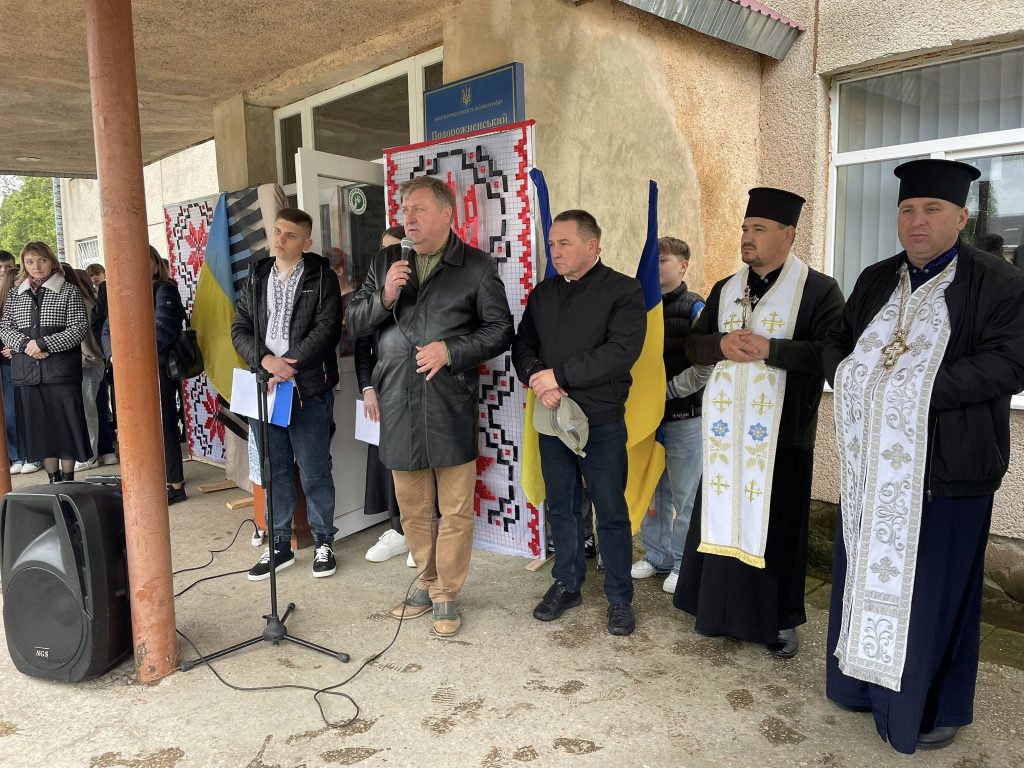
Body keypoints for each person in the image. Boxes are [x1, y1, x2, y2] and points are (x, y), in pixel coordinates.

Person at [823, 159, 1024, 754]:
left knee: (936, 594)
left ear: (961, 217)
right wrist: (847, 373)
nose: (917, 221)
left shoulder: (998, 282)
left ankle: (933, 706)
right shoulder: (876, 278)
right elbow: (839, 339)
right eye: (908, 209)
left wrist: (911, 388)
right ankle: (860, 686)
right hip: (872, 471)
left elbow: (1009, 364)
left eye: (932, 209)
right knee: (864, 576)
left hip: (950, 471)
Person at [673, 187, 844, 658]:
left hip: (785, 436)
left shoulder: (820, 290)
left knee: (779, 528)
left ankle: (779, 621)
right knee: (722, 516)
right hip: (727, 435)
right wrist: (721, 345)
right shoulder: (726, 288)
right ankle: (716, 611)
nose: (747, 237)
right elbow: (693, 344)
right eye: (745, 228)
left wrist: (773, 349)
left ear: (788, 235)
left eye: (759, 229)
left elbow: (832, 354)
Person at [347, 176, 513, 637]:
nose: (409, 218)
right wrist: (384, 296)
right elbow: (355, 321)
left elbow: (501, 329)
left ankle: (446, 594)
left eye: (418, 209)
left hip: (448, 401)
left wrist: (451, 351)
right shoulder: (385, 262)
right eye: (405, 210)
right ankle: (426, 579)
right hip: (397, 400)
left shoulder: (475, 266)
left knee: (455, 508)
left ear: (446, 214)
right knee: (413, 506)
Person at [512, 209, 646, 636]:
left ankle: (620, 597)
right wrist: (539, 378)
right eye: (552, 244)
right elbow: (522, 345)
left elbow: (620, 352)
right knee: (562, 507)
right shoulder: (544, 293)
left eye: (564, 243)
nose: (555, 252)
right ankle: (567, 583)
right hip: (552, 417)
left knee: (610, 510)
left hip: (601, 421)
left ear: (592, 245)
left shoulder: (623, 290)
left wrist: (560, 377)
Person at [232, 207, 342, 580]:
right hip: (265, 388)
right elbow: (240, 327)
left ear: (306, 242)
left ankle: (324, 540)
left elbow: (327, 330)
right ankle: (279, 544)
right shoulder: (257, 274)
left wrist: (287, 365)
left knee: (314, 470)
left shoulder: (322, 276)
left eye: (290, 235)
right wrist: (265, 361)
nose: (280, 239)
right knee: (274, 469)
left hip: (306, 388)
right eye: (277, 231)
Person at [632, 237, 705, 595]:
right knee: (653, 491)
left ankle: (682, 563)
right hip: (647, 420)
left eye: (663, 260)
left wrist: (670, 391)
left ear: (683, 266)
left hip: (684, 417)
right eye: (653, 261)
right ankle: (657, 555)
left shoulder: (696, 308)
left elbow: (707, 365)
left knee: (684, 495)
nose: (656, 267)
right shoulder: (639, 306)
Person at [0, 242, 91, 482]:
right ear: (24, 264)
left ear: (51, 261)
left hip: (61, 372)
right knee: (40, 429)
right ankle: (53, 479)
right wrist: (26, 346)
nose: (36, 266)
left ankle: (68, 479)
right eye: (30, 262)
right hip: (27, 373)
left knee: (66, 426)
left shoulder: (68, 291)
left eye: (41, 260)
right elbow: (5, 328)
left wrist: (43, 344)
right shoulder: (15, 294)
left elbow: (79, 328)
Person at [358, 225, 412, 566]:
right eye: (384, 253)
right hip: (382, 390)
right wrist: (368, 388)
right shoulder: (374, 294)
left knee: (420, 464)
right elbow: (362, 343)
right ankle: (398, 530)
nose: (390, 259)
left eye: (397, 251)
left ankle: (421, 532)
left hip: (416, 390)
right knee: (386, 464)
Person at [150, 247, 188, 504]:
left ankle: (175, 485)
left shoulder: (165, 289)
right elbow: (108, 327)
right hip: (129, 368)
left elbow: (163, 330)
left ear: (156, 265)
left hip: (158, 366)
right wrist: (112, 355)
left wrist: (135, 355)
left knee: (164, 426)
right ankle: (152, 480)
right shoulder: (123, 291)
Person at [63, 266, 105, 473]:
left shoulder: (81, 303)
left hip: (86, 363)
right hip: (76, 364)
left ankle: (90, 456)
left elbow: (89, 341)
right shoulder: (76, 301)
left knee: (87, 410)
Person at [0, 263, 29, 474]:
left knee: (30, 411)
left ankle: (33, 456)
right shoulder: (3, 305)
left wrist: (18, 348)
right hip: (6, 365)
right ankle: (16, 455)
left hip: (29, 361)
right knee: (10, 414)